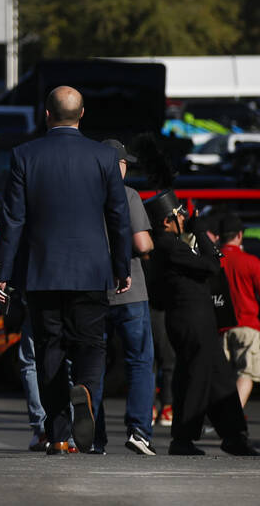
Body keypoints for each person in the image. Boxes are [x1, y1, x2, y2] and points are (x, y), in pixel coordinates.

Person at [0, 86, 132, 455]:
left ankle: (57, 433)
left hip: (42, 271)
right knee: (91, 344)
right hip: (91, 269)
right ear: (82, 114)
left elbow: (13, 220)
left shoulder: (24, 155)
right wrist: (122, 265)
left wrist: (0, 273)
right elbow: (118, 217)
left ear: (47, 115)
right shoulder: (103, 156)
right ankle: (85, 388)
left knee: (49, 350)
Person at [146, 193, 257, 455]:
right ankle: (183, 437)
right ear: (166, 220)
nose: (184, 218)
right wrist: (203, 235)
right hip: (191, 321)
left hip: (196, 320)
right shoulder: (168, 245)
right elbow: (212, 265)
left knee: (220, 379)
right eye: (179, 214)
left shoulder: (168, 245)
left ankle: (234, 435)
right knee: (196, 378)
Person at [93, 139, 158, 456]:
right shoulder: (128, 195)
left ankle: (94, 435)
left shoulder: (84, 197)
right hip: (130, 293)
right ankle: (139, 431)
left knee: (93, 365)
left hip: (91, 291)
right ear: (116, 164)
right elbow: (143, 244)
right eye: (124, 163)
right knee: (140, 362)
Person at [214, 213, 260, 410]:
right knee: (246, 374)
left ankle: (218, 415)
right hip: (247, 324)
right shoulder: (251, 262)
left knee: (221, 375)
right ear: (239, 235)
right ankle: (233, 415)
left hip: (219, 325)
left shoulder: (213, 261)